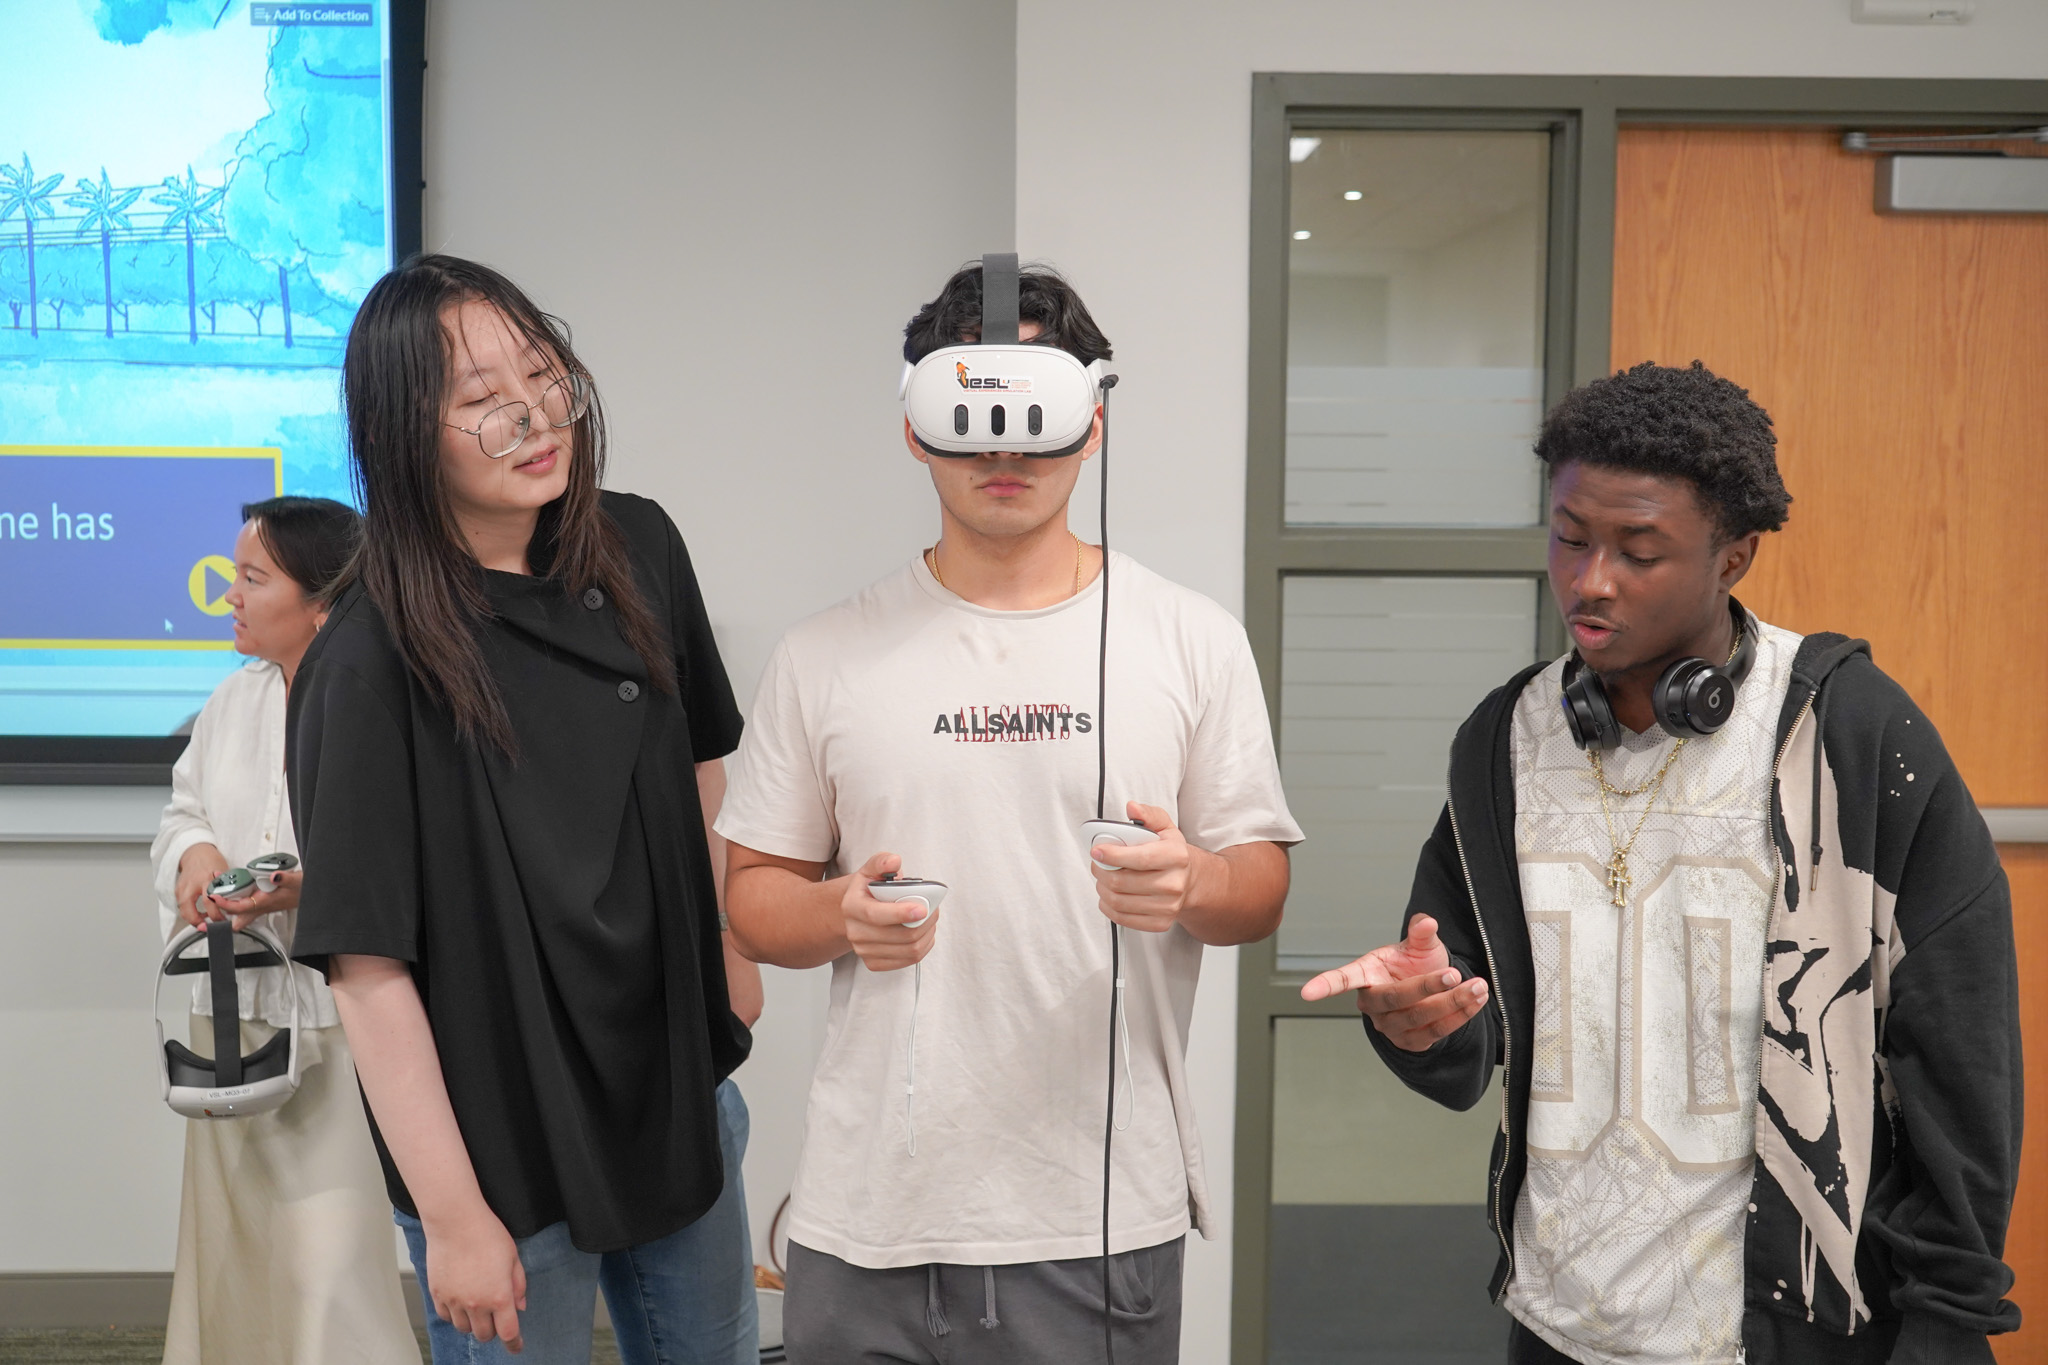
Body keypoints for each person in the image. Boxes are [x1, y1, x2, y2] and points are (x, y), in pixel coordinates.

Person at [1302, 362, 2021, 1365]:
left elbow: (1959, 1054)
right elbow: (1466, 1030)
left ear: (1734, 557)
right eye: (1569, 538)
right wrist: (1418, 1023)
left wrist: (1945, 1320)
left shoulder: (1851, 738)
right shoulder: (1504, 740)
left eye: (1638, 552)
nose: (1590, 580)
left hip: (1786, 1331)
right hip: (1558, 1318)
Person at [719, 259, 1302, 1363]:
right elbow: (752, 901)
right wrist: (840, 913)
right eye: (970, 415)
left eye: (1034, 414)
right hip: (867, 1215)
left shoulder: (1190, 639)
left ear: (1091, 423)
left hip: (1093, 1217)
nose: (1003, 449)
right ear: (915, 426)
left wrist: (1195, 881)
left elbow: (1259, 888)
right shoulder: (824, 654)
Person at [285, 254, 753, 1364]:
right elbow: (366, 967)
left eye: (544, 376)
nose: (535, 419)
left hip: (669, 1084)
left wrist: (729, 955)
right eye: (483, 399)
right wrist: (452, 1216)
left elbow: (700, 762)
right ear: (401, 432)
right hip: (495, 1135)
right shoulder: (366, 660)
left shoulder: (640, 546)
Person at [151, 495, 420, 1364]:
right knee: (233, 1247)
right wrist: (195, 855)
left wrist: (309, 890)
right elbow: (183, 810)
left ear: (322, 601)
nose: (228, 593)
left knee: (330, 1257)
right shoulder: (233, 699)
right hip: (231, 1011)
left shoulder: (383, 701)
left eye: (252, 577)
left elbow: (413, 858)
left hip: (343, 1021)